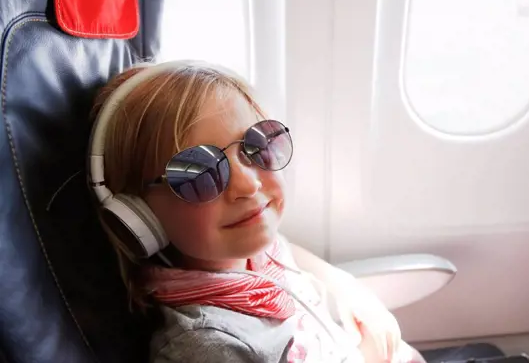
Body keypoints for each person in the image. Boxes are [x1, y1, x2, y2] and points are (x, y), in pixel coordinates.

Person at [88, 60, 427, 362]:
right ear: (139, 216)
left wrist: (351, 289)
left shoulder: (256, 252)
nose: (248, 185)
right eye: (199, 174)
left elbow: (285, 249)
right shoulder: (206, 346)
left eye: (256, 146)